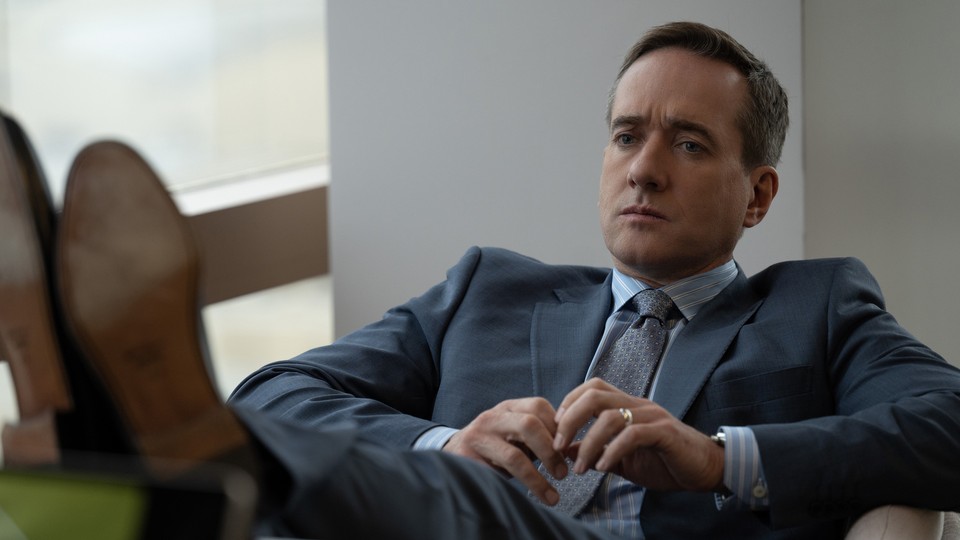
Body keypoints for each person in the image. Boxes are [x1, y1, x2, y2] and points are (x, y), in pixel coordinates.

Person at [228, 20, 960, 539]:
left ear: (757, 195)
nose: (644, 169)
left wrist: (715, 459)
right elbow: (267, 398)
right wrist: (445, 447)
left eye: (689, 144)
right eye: (626, 136)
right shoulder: (487, 291)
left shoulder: (815, 308)